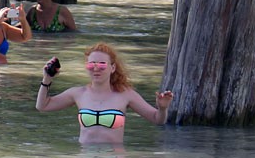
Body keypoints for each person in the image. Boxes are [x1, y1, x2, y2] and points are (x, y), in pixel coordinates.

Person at [35, 44, 173, 145]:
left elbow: (158, 120)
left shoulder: (125, 94)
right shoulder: (78, 93)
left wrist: (162, 108)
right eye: (91, 64)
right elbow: (42, 106)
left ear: (112, 68)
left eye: (102, 65)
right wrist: (47, 79)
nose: (96, 69)